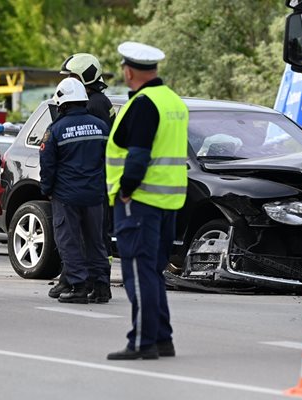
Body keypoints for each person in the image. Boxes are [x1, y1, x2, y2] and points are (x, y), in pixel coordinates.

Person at [105, 42, 189, 360]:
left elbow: (138, 154)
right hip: (167, 201)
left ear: (128, 72)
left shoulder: (143, 103)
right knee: (152, 271)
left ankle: (142, 342)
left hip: (139, 199)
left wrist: (126, 188)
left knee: (139, 272)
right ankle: (162, 338)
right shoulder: (173, 101)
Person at [48, 53, 115, 301]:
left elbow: (59, 155)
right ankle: (97, 285)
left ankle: (77, 284)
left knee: (72, 238)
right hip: (96, 186)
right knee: (94, 238)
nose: (69, 80)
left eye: (72, 76)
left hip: (72, 187)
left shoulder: (92, 105)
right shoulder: (100, 104)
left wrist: (49, 186)